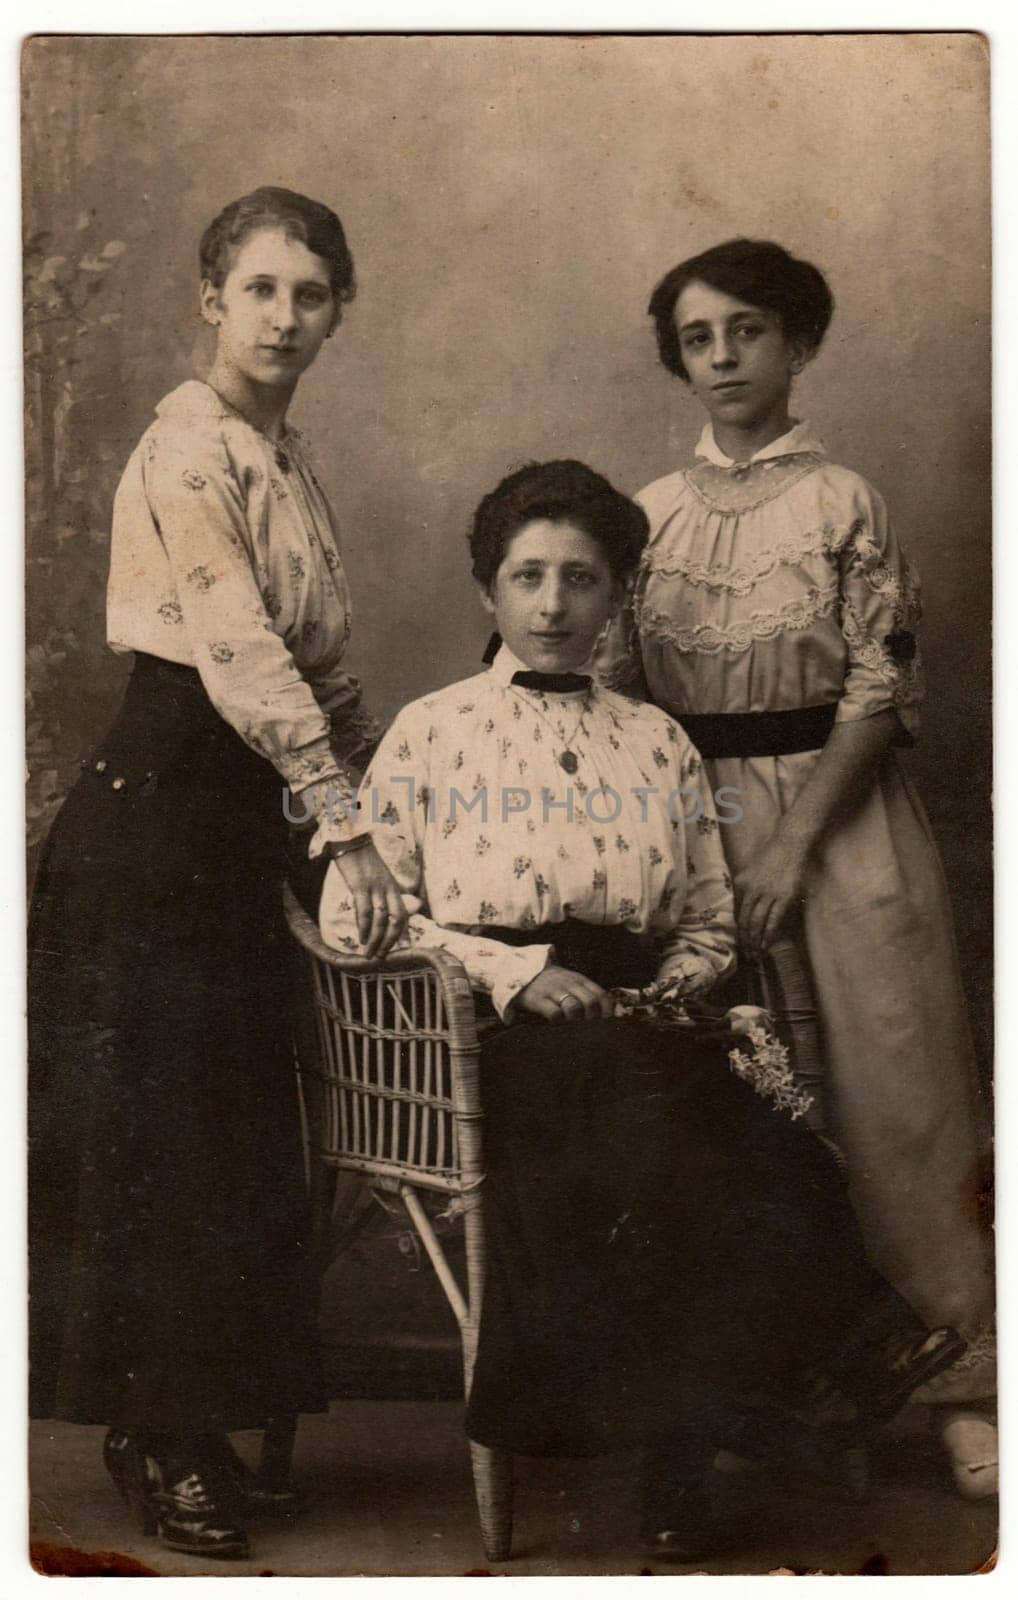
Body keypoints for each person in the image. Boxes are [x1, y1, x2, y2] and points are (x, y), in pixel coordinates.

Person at [319, 459, 964, 1558]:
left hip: (634, 1019)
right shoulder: (432, 733)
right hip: (482, 1037)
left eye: (580, 578)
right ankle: (827, 1360)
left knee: (753, 1139)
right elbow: (354, 918)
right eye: (526, 577)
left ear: (616, 596)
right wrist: (516, 973)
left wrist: (682, 979)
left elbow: (709, 916)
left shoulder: (657, 741)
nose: (553, 604)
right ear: (488, 592)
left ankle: (700, 1446)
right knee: (665, 1130)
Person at [28, 187, 407, 1562]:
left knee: (234, 1130)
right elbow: (242, 655)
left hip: (235, 817)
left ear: (336, 310)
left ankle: (189, 1425)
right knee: (168, 1136)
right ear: (210, 298)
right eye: (260, 290)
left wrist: (386, 795)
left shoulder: (284, 460)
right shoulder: (187, 449)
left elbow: (328, 667)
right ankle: (159, 1438)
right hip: (159, 819)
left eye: (311, 295)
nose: (286, 317)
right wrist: (344, 822)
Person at [597, 238, 996, 1499]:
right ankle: (769, 1386)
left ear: (799, 343)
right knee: (743, 1110)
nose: (722, 358)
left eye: (748, 332)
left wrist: (788, 837)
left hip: (841, 819)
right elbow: (610, 689)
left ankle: (961, 1390)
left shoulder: (845, 504)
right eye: (698, 338)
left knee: (894, 1093)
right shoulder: (645, 517)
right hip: (694, 830)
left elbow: (881, 687)